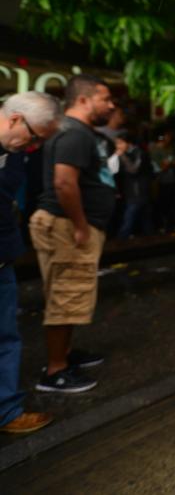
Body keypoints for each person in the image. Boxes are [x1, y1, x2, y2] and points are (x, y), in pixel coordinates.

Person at [30, 74, 116, 393]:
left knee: (71, 293)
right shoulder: (74, 133)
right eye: (105, 99)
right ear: (83, 100)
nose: (111, 105)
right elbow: (64, 182)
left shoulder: (77, 132)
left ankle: (64, 354)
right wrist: (80, 225)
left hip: (71, 225)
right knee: (65, 296)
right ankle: (55, 370)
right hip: (66, 226)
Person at [0, 92, 60, 433]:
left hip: (3, 258)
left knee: (6, 338)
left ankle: (7, 411)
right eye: (34, 137)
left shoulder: (14, 154)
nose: (33, 146)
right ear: (15, 120)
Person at [116, 134, 153, 239]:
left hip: (138, 191)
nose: (118, 146)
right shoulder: (128, 154)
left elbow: (133, 170)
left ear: (128, 143)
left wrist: (122, 156)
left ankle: (121, 241)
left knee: (130, 218)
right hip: (133, 191)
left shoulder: (139, 153)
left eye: (120, 143)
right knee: (145, 218)